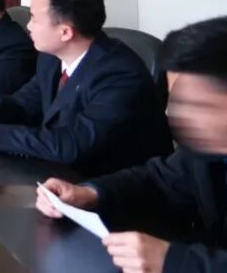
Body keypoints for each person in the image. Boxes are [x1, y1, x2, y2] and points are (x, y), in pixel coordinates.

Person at [37, 16, 227, 273]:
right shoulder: (205, 148)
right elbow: (158, 180)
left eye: (196, 104)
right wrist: (90, 193)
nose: (175, 115)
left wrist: (175, 261)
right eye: (176, 100)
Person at [0, 0, 172, 176]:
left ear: (65, 32)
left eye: (34, 19)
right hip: (59, 176)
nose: (28, 26)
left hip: (112, 191)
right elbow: (23, 103)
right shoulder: (51, 58)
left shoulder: (119, 75)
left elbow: (72, 144)